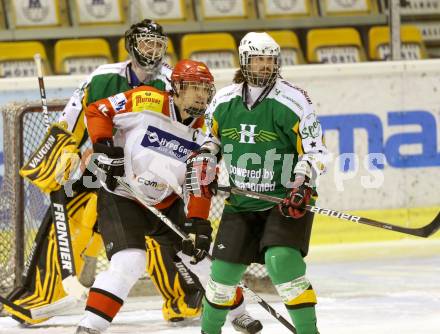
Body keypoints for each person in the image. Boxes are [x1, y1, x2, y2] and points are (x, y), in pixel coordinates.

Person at [11, 19, 201, 325]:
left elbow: (191, 127)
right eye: (146, 43)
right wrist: (66, 152)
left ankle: (183, 296)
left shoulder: (170, 82)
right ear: (132, 46)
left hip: (151, 175)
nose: (152, 50)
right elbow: (70, 118)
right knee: (69, 212)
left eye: (157, 43)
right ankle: (42, 293)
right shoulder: (102, 78)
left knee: (166, 238)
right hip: (103, 170)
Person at [75, 59, 262, 334]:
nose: (201, 95)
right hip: (122, 195)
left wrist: (198, 223)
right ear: (176, 87)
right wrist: (103, 146)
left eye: (205, 89)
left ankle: (239, 313)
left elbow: (201, 180)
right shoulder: (145, 99)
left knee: (200, 258)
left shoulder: (208, 131)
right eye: (194, 88)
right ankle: (90, 325)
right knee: (130, 261)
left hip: (167, 201)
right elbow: (97, 110)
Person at [185, 32, 329, 334]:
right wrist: (206, 160)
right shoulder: (224, 100)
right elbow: (210, 141)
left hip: (285, 202)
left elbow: (316, 151)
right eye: (258, 59)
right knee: (221, 277)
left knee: (282, 263)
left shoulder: (293, 100)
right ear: (244, 61)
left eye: (270, 60)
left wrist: (302, 185)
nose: (265, 66)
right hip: (243, 202)